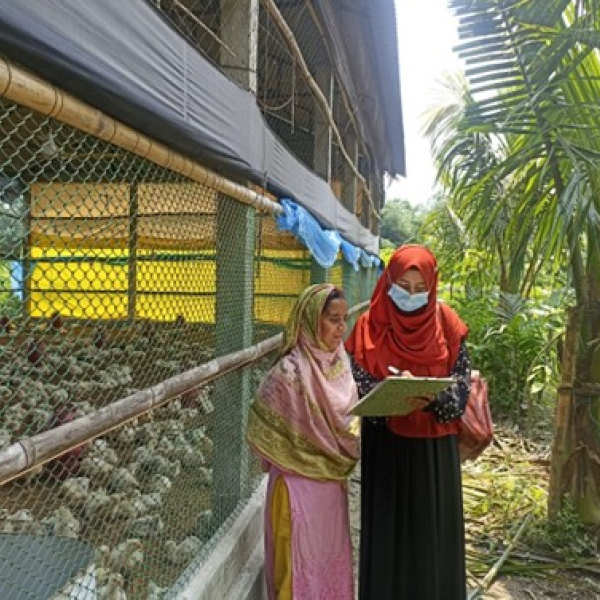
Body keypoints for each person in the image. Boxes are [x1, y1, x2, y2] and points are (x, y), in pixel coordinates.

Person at [345, 244, 471, 600]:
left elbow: (460, 393)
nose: (411, 295)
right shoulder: (369, 325)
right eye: (403, 285)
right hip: (386, 449)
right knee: (388, 537)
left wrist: (434, 400)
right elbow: (353, 381)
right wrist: (387, 394)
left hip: (435, 451)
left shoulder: (447, 324)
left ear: (432, 287)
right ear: (388, 282)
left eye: (420, 289)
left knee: (432, 537)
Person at [246, 283, 360, 600]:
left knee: (327, 565)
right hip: (296, 491)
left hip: (330, 489)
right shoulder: (288, 373)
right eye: (332, 319)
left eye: (343, 318)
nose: (341, 328)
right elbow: (262, 428)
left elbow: (349, 423)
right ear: (311, 320)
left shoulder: (342, 367)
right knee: (294, 571)